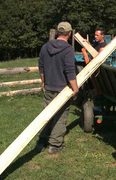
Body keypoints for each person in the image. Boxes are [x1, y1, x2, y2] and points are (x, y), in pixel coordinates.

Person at [36, 22, 79, 154]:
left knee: (46, 114)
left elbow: (41, 66)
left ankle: (41, 141)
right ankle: (55, 145)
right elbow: (70, 70)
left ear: (57, 32)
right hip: (63, 90)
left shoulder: (45, 47)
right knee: (60, 116)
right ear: (70, 33)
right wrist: (75, 88)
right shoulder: (68, 49)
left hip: (49, 87)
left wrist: (43, 82)